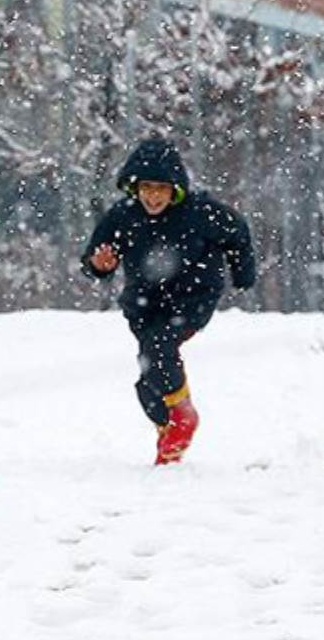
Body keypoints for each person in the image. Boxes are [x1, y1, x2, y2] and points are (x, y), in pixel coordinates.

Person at [80, 137, 256, 464]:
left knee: (160, 347)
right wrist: (98, 265)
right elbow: (96, 256)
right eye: (146, 188)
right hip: (144, 302)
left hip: (192, 298)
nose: (153, 196)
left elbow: (238, 233)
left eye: (161, 188)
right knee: (148, 379)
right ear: (134, 188)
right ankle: (168, 429)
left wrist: (243, 274)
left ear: (175, 189)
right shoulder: (122, 216)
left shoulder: (200, 212)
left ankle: (183, 415)